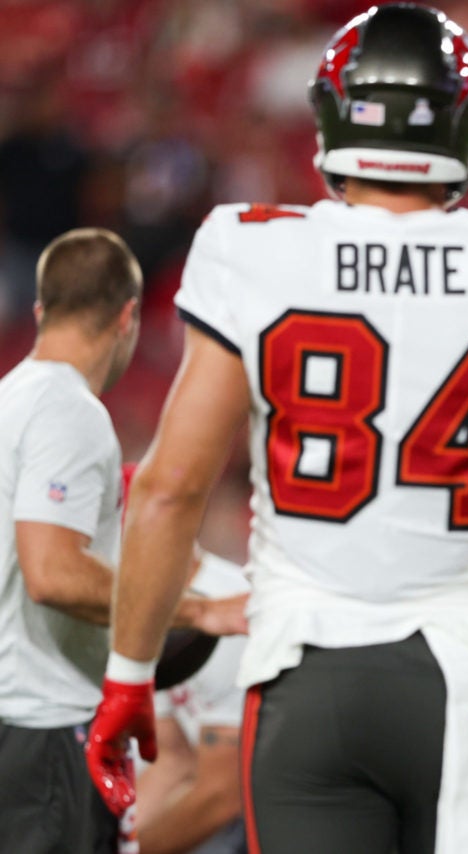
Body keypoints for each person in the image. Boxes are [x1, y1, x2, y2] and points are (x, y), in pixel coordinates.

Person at [85, 5, 468, 852]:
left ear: (330, 112)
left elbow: (168, 489)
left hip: (299, 676)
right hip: (457, 671)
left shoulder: (251, 248)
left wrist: (128, 675)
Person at [0, 228, 243, 854]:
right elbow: (51, 572)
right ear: (128, 317)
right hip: (44, 726)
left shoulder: (10, 400)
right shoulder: (67, 410)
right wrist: (191, 608)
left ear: (40, 311)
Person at [133, 549, 251, 854]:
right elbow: (173, 758)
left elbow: (224, 794)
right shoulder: (148, 608)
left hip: (276, 805)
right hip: (219, 790)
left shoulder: (231, 609)